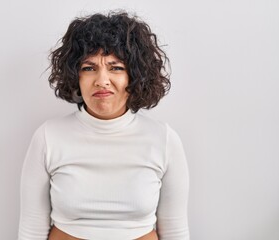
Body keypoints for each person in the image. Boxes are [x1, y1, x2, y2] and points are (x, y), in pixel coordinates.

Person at [18, 11, 190, 240]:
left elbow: (175, 231)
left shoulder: (164, 139)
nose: (102, 80)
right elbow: (31, 229)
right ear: (75, 76)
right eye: (89, 68)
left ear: (135, 75)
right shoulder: (49, 137)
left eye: (116, 67)